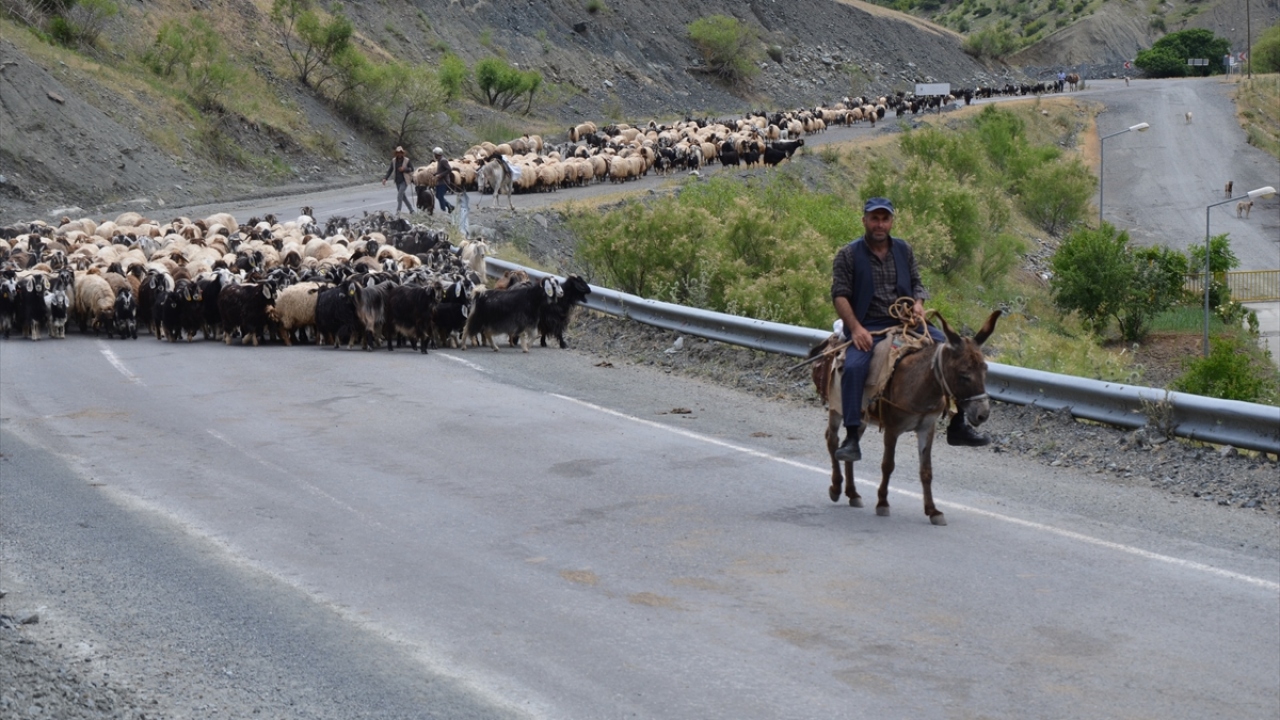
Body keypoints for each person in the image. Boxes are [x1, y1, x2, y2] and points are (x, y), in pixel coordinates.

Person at [829, 197, 990, 463]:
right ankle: (852, 437)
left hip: (908, 322)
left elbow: (917, 284)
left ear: (891, 221)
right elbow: (840, 295)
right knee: (855, 367)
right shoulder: (848, 254)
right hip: (869, 326)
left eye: (885, 219)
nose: (880, 224)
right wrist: (856, 328)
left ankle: (959, 422)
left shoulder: (904, 250)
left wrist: (917, 304)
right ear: (864, 221)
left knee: (956, 354)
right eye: (874, 218)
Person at [382, 146, 414, 215]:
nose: (399, 154)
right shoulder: (394, 161)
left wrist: (404, 169)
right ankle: (411, 210)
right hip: (397, 181)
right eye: (398, 153)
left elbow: (411, 169)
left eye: (401, 153)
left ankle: (398, 211)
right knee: (403, 197)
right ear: (396, 153)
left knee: (400, 196)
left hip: (405, 181)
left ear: (403, 153)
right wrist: (385, 178)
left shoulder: (407, 160)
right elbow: (390, 170)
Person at [432, 147, 455, 214]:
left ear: (437, 154)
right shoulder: (439, 160)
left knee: (440, 196)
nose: (434, 155)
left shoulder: (443, 160)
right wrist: (435, 174)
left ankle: (443, 210)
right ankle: (450, 206)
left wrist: (441, 175)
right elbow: (441, 170)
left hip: (444, 182)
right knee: (437, 195)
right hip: (440, 181)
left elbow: (449, 169)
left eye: (435, 154)